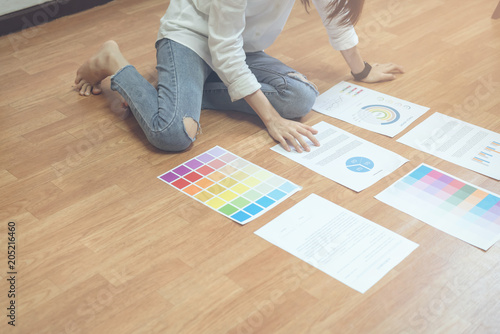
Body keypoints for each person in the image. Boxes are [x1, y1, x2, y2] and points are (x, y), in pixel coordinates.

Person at [74, 0, 403, 153]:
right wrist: (271, 120)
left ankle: (174, 94)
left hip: (241, 48)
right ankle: (114, 62)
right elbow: (224, 51)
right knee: (173, 134)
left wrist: (362, 70)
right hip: (190, 39)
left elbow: (336, 14)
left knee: (302, 96)